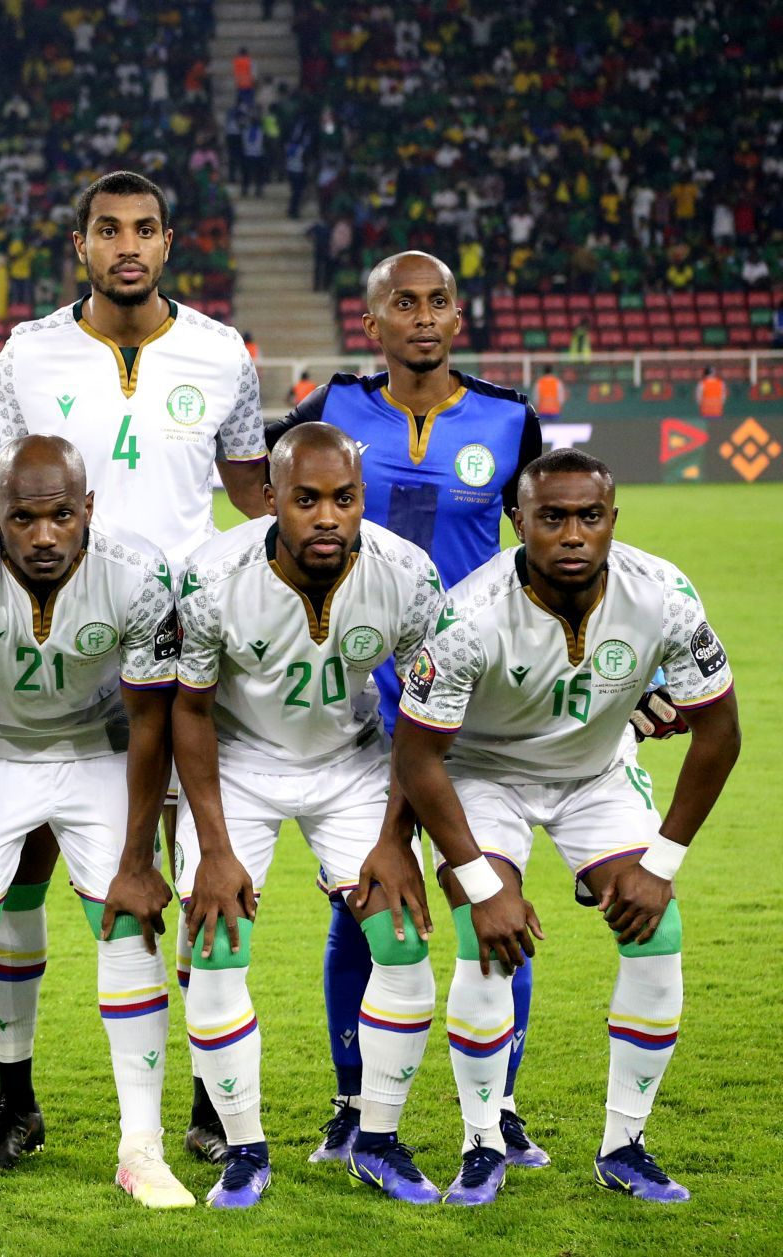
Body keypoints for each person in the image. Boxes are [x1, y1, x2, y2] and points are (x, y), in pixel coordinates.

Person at [0, 169, 267, 1173]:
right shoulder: (32, 348)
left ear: (169, 243)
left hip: (173, 654)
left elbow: (253, 491)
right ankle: (14, 1103)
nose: (126, 246)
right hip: (37, 637)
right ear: (81, 244)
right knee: (15, 885)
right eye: (108, 230)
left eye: (144, 230)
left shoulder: (223, 353)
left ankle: (208, 1104)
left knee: (177, 875)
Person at [394, 449, 740, 1205]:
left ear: (614, 520)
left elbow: (720, 732)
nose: (574, 533)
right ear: (518, 523)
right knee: (484, 943)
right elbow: (418, 756)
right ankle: (482, 1144)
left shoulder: (666, 596)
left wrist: (663, 861)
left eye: (591, 516)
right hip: (482, 776)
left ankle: (624, 1144)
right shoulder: (469, 614)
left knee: (659, 931)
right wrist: (484, 886)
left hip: (596, 774)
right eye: (552, 517)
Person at [267, 250, 549, 1165]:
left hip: (476, 709)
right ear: (371, 320)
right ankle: (353, 1104)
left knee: (488, 901)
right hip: (359, 706)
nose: (422, 317)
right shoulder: (331, 409)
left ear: (459, 318)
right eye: (403, 302)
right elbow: (269, 511)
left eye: (439, 302)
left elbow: (546, 554)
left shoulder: (511, 420)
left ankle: (496, 1108)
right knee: (365, 907)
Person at [0, 436, 189, 1214]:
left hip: (97, 746)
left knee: (127, 920)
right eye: (22, 517)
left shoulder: (139, 575)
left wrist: (138, 859)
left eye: (61, 515)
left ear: (87, 508)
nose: (43, 535)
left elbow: (150, 718)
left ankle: (143, 1149)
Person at [174, 423, 447, 1209]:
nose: (327, 516)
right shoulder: (211, 577)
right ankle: (246, 1150)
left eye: (344, 499)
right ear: (268, 499)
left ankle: (379, 1140)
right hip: (238, 768)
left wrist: (397, 838)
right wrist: (216, 847)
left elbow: (430, 715)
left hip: (353, 764)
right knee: (219, 944)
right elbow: (188, 713)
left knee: (400, 942)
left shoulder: (407, 575)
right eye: (306, 499)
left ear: (363, 500)